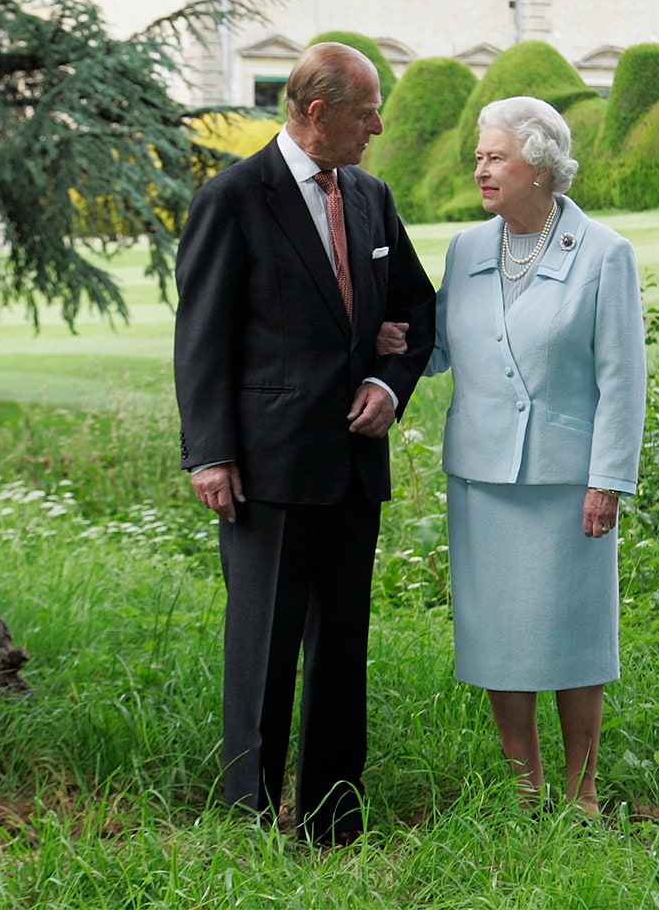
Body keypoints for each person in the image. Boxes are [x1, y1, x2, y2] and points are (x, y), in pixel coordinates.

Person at [173, 42, 436, 844]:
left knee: (340, 650)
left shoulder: (370, 195)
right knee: (263, 651)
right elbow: (202, 337)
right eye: (367, 113)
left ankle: (332, 820)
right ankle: (248, 822)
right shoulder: (233, 197)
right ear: (317, 113)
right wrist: (209, 453)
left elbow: (415, 315)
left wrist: (387, 381)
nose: (379, 126)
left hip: (354, 468)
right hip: (266, 470)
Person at [428, 95, 647, 818]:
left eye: (495, 157)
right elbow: (435, 350)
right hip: (483, 477)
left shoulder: (605, 253)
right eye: (479, 157)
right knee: (499, 639)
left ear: (542, 167)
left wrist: (608, 480)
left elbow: (623, 376)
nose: (481, 169)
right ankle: (526, 790)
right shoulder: (464, 250)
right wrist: (379, 343)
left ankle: (582, 792)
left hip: (567, 481)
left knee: (575, 638)